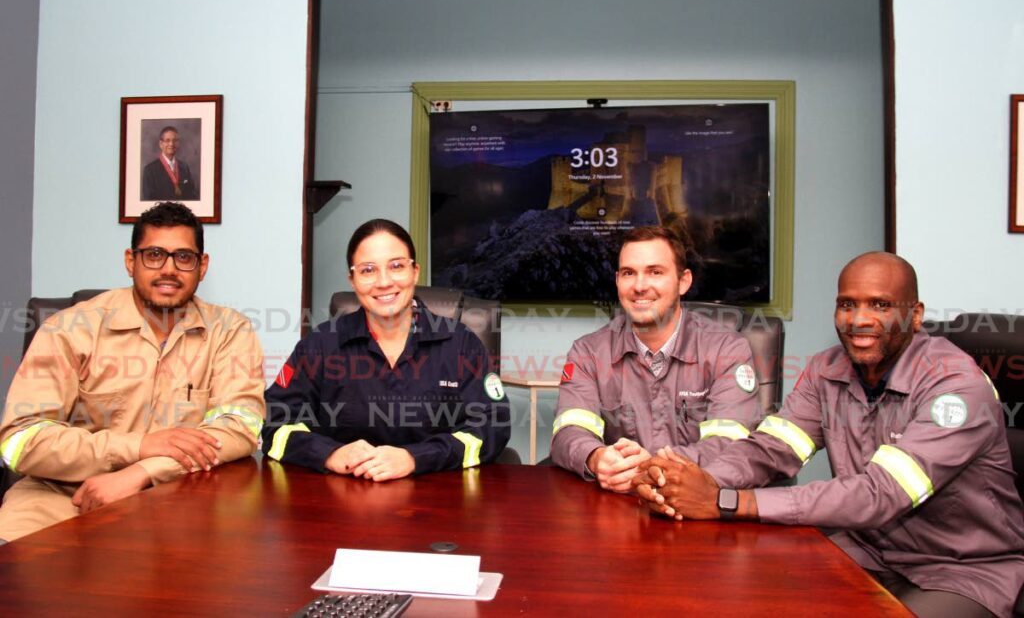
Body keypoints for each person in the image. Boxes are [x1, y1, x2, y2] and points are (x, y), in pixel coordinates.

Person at [633, 252, 1024, 618]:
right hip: (867, 549)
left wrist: (724, 500)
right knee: (744, 589)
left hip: (961, 571)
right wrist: (681, 479)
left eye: (880, 305)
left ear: (915, 315)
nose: (859, 320)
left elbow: (880, 494)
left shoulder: (956, 385)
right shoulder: (826, 369)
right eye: (847, 304)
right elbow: (771, 451)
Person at [0, 202, 265, 543]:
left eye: (184, 257)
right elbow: (22, 440)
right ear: (130, 261)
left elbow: (239, 428)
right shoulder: (69, 329)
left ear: (202, 266)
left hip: (176, 498)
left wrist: (143, 471)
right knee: (16, 583)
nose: (169, 269)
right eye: (154, 254)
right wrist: (138, 447)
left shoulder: (229, 331)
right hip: (59, 498)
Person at [261, 219, 510, 480]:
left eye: (397, 266)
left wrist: (416, 458)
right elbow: (275, 423)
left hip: (439, 499)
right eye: (368, 270)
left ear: (415, 271)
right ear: (353, 280)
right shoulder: (320, 345)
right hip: (342, 502)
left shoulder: (461, 344)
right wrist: (329, 454)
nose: (383, 282)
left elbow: (492, 426)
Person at [550, 226, 763, 493]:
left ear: (683, 281)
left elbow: (730, 445)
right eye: (629, 273)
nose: (640, 286)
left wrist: (653, 465)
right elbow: (568, 431)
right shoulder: (588, 352)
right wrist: (596, 457)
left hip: (699, 507)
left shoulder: (726, 350)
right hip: (617, 511)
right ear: (617, 281)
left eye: (655, 272)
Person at [141, 126, 199, 200]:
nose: (171, 144)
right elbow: (148, 200)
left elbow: (192, 195)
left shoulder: (184, 167)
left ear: (178, 143)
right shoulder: (150, 170)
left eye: (175, 140)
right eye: (167, 140)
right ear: (161, 144)